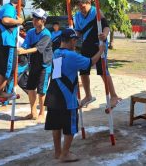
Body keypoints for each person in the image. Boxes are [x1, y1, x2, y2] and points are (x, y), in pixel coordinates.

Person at [45, 28, 105, 162]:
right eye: (75, 41)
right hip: (67, 99)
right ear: (72, 40)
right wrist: (101, 51)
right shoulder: (72, 56)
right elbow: (90, 63)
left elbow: (58, 74)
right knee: (70, 127)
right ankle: (65, 154)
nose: (75, 43)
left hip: (54, 94)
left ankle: (58, 152)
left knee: (56, 125)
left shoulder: (56, 52)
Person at [73, 0, 121, 108]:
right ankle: (88, 95)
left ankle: (114, 96)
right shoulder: (77, 15)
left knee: (103, 71)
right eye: (79, 7)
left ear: (89, 2)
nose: (81, 9)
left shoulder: (96, 11)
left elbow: (106, 26)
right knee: (83, 70)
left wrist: (104, 35)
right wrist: (73, 37)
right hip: (86, 44)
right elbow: (79, 31)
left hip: (99, 44)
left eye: (83, 7)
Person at [18, 9, 52, 122]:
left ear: (43, 21)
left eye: (36, 18)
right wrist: (20, 49)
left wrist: (24, 51)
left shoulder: (46, 34)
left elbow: (38, 49)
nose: (34, 20)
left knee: (41, 91)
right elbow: (25, 45)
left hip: (44, 65)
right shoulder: (31, 32)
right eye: (33, 18)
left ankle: (42, 113)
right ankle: (33, 112)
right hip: (33, 64)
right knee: (31, 88)